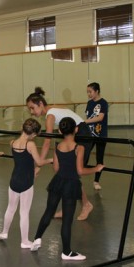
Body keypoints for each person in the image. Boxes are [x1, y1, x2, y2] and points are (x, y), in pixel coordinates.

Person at [30, 117, 105, 260]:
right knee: (67, 220)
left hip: (57, 182)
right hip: (71, 185)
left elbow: (56, 168)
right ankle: (66, 252)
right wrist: (96, 168)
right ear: (76, 129)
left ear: (60, 130)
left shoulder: (58, 146)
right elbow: (80, 171)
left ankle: (37, 239)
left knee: (48, 212)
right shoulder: (79, 148)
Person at [26, 86, 93, 220]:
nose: (31, 112)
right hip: (75, 135)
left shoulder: (50, 116)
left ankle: (86, 205)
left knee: (72, 174)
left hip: (82, 136)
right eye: (29, 109)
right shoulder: (52, 108)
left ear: (40, 104)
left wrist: (38, 166)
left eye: (32, 108)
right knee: (64, 172)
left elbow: (47, 142)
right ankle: (67, 207)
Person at [0, 118, 53, 249]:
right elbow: (39, 162)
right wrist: (51, 159)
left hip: (14, 180)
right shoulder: (30, 144)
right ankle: (24, 241)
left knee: (10, 208)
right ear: (33, 134)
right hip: (26, 182)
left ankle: (4, 232)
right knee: (24, 212)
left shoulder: (12, 142)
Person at [84, 82, 109, 190]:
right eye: (87, 92)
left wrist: (86, 121)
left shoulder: (103, 103)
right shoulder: (89, 103)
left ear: (97, 91)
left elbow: (100, 118)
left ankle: (96, 181)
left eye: (90, 92)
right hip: (90, 135)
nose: (89, 94)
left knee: (99, 158)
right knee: (85, 154)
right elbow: (88, 116)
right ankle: (78, 174)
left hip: (101, 135)